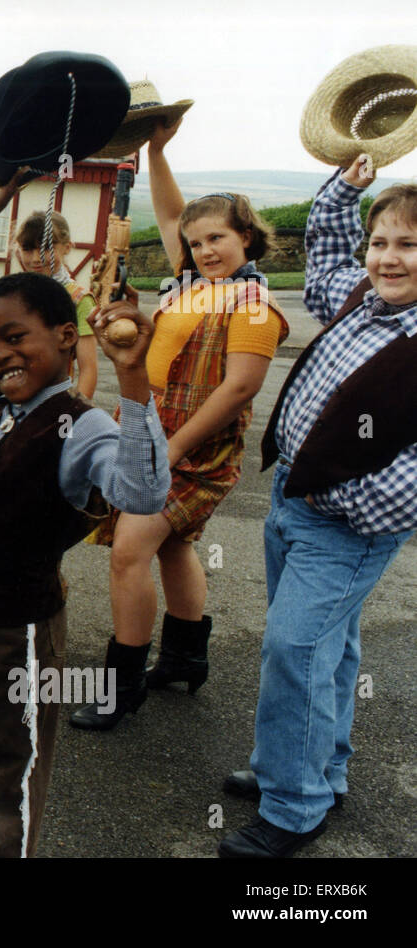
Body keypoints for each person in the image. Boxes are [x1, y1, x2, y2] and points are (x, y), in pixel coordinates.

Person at [0, 172, 169, 857]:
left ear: (68, 337)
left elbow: (143, 495)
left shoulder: (81, 425)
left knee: (9, 770)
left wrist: (132, 375)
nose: (0, 354)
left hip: (19, 636)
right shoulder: (5, 399)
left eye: (16, 338)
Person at [218, 154, 417, 858]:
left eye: (410, 245)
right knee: (326, 645)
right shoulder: (361, 295)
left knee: (295, 646)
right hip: (293, 500)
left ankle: (295, 808)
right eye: (383, 241)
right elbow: (330, 242)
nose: (389, 259)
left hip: (346, 522)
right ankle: (311, 771)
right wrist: (348, 188)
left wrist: (342, 497)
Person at [68, 117, 289, 729]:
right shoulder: (194, 286)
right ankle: (187, 660)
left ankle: (123, 686)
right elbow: (172, 218)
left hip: (195, 450)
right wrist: (158, 153)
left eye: (218, 238)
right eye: (197, 244)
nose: (205, 250)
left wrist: (167, 450)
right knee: (174, 548)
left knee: (129, 553)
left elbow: (239, 389)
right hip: (156, 434)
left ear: (247, 238)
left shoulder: (253, 306)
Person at [12, 211, 98, 399]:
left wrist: (74, 413)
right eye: (28, 249)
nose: (36, 258)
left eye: (46, 249)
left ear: (67, 247)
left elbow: (88, 370)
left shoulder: (79, 299)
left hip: (54, 401)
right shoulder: (14, 294)